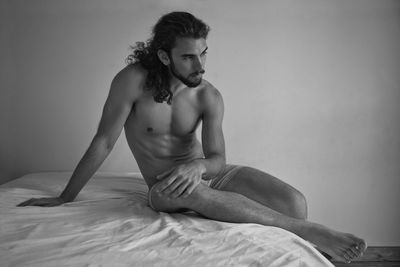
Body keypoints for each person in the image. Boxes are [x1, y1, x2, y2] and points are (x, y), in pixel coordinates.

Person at [18, 11, 367, 263]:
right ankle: (308, 232)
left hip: (205, 174)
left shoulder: (208, 95)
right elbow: (104, 142)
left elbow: (217, 160)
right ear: (163, 56)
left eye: (203, 53)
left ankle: (275, 220)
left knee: (294, 202)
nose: (199, 65)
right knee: (197, 191)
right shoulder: (132, 82)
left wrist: (198, 166)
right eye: (188, 57)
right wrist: (65, 197)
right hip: (163, 187)